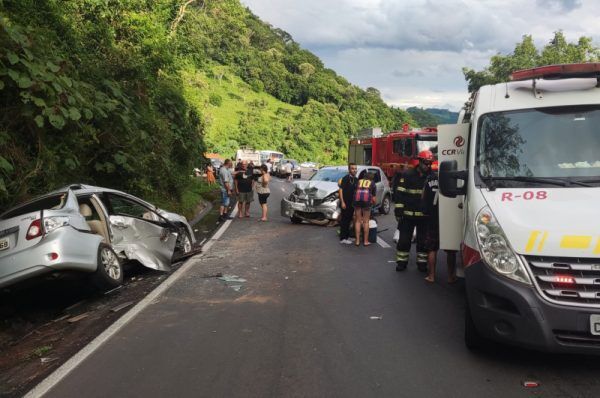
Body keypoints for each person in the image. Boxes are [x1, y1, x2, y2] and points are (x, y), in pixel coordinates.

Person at [395, 150, 434, 272]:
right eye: (426, 163)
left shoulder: (432, 176)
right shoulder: (408, 175)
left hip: (424, 216)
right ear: (420, 161)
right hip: (407, 215)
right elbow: (399, 193)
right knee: (404, 241)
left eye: (430, 164)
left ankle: (422, 264)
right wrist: (399, 210)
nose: (428, 166)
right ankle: (401, 262)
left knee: (423, 242)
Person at [422, 171, 457, 283]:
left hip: (432, 218)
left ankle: (431, 276)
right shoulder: (451, 178)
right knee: (450, 249)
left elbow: (423, 197)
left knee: (432, 249)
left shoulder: (429, 180)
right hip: (448, 217)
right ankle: (451, 277)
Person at [353, 172, 376, 247]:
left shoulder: (359, 181)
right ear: (371, 178)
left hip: (357, 201)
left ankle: (357, 241)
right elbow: (373, 198)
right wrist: (374, 203)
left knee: (358, 221)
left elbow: (355, 191)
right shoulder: (372, 183)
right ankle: (365, 241)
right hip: (366, 202)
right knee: (366, 222)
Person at [338, 163, 358, 245]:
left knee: (349, 220)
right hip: (345, 203)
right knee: (344, 220)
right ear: (349, 170)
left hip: (352, 203)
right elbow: (341, 190)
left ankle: (347, 236)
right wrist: (342, 202)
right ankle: (343, 238)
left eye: (355, 168)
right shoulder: (345, 178)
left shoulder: (356, 179)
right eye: (352, 168)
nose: (354, 170)